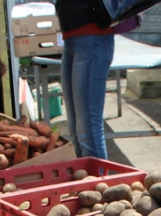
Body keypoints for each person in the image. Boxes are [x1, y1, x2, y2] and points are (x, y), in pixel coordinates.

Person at [56, 0, 116, 160]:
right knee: (75, 130)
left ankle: (98, 183)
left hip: (93, 37)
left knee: (88, 130)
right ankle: (87, 181)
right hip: (70, 37)